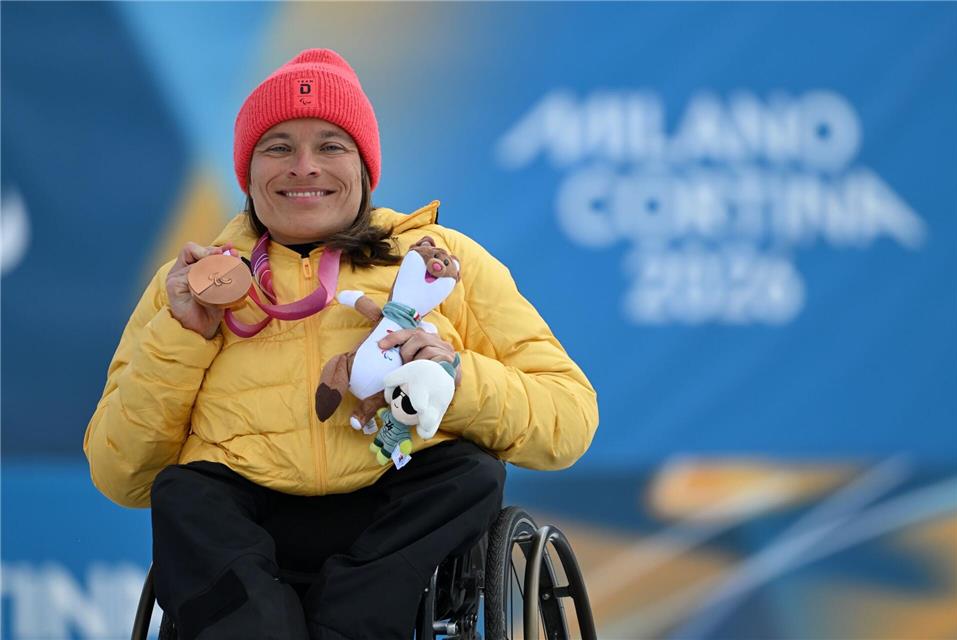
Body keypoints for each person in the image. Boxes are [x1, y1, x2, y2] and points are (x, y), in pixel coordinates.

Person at [84, 49, 598, 640]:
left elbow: (570, 418)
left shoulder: (441, 263)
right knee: (183, 493)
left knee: (470, 473)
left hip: (391, 517)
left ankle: (348, 627)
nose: (304, 167)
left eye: (331, 146)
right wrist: (183, 336)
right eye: (278, 147)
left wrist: (457, 378)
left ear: (365, 169)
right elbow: (120, 473)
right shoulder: (195, 281)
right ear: (248, 174)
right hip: (249, 525)